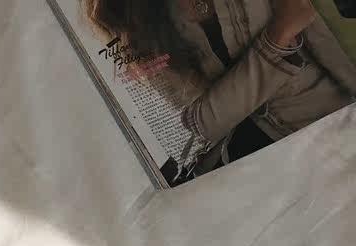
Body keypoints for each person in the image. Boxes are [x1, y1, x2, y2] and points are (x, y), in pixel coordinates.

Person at [85, 0, 356, 171]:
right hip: (262, 156)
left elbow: (319, 34)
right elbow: (203, 122)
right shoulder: (135, 20)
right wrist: (278, 36)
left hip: (334, 118)